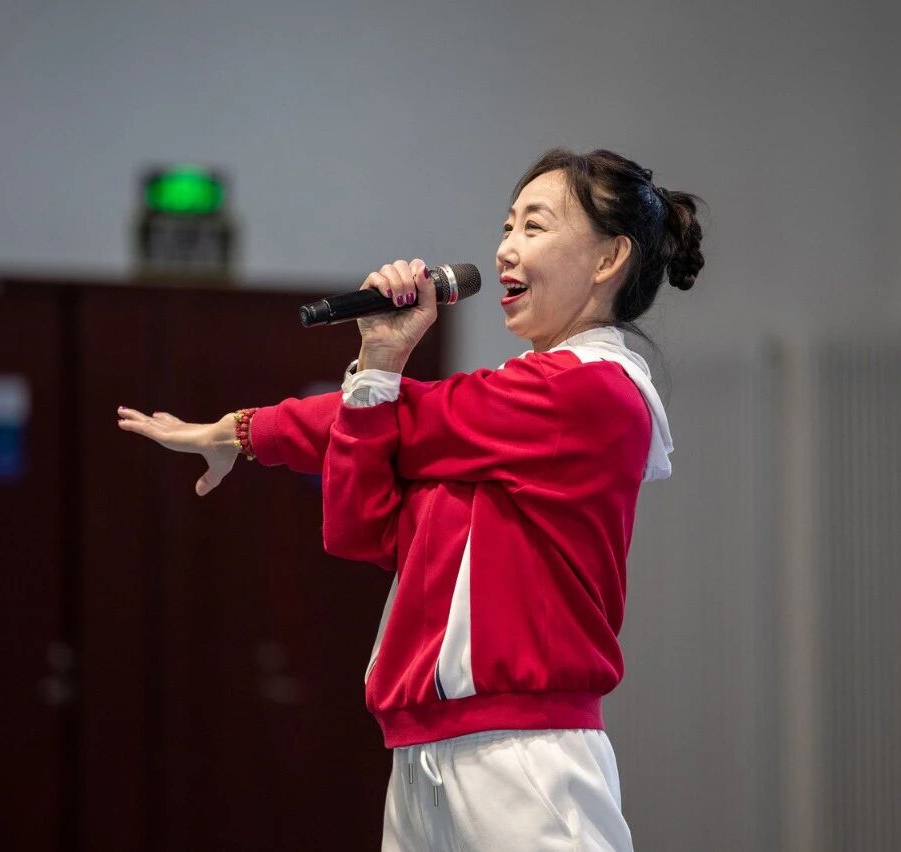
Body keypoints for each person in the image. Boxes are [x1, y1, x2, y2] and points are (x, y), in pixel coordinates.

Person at [117, 147, 704, 851]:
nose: (506, 248)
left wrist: (243, 431)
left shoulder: (593, 389)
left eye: (535, 226)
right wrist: (378, 361)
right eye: (507, 225)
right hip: (421, 750)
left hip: (522, 752)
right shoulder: (499, 421)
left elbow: (408, 418)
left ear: (610, 257)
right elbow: (359, 528)